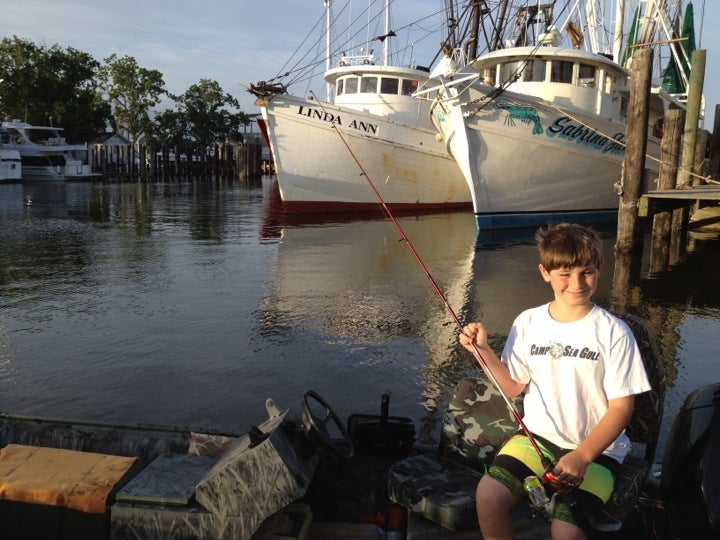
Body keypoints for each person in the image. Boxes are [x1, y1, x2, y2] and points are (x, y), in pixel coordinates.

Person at [459, 223, 651, 540]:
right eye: (564, 274)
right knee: (488, 497)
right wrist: (482, 352)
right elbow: (512, 386)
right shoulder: (528, 322)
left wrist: (581, 456)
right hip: (535, 440)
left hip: (597, 452)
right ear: (545, 272)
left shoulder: (614, 332)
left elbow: (621, 409)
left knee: (565, 531)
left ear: (599, 268)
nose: (576, 283)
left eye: (586, 272)